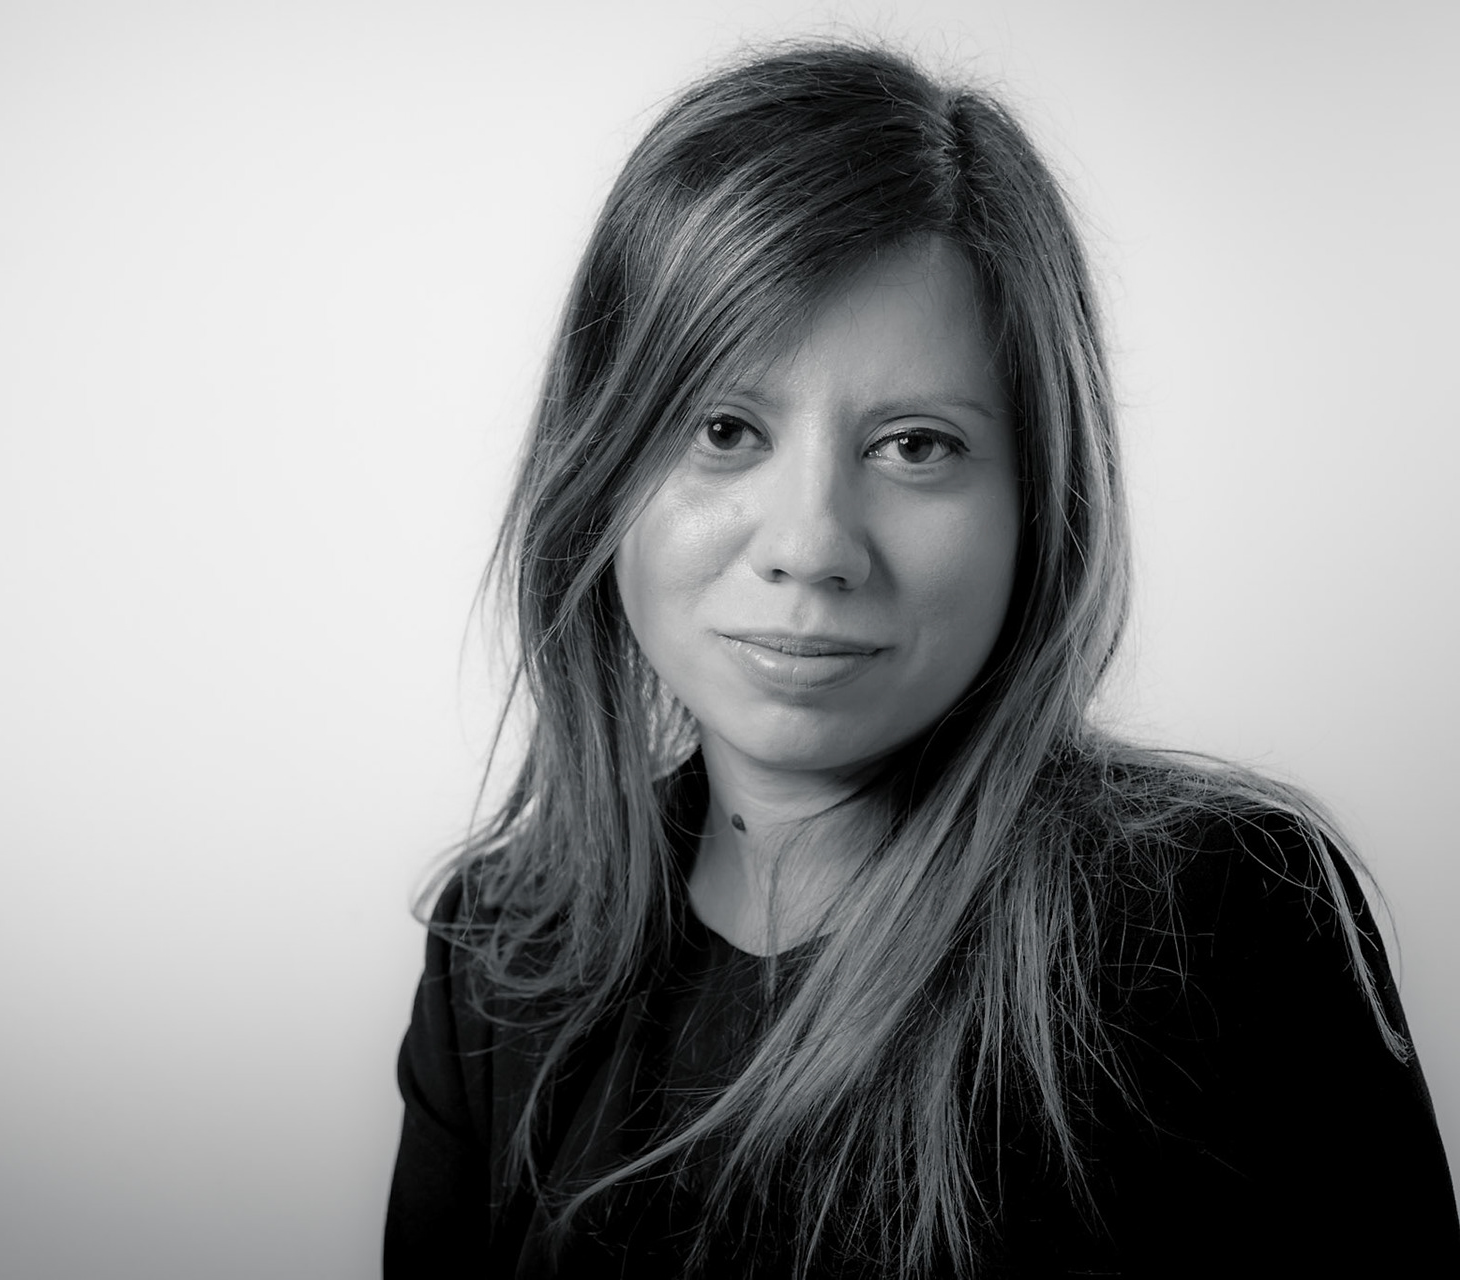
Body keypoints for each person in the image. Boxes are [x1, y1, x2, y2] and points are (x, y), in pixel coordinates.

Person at [383, 42, 1459, 1279]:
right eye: (724, 428)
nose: (810, 545)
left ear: (1038, 501)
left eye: (916, 445)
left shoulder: (1214, 924)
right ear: (602, 469)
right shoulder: (498, 954)